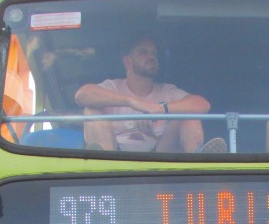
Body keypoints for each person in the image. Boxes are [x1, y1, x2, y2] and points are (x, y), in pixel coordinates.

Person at [74, 34, 225, 153]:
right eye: (143, 52)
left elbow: (202, 104)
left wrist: (162, 109)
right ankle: (101, 162)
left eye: (154, 53)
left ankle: (198, 159)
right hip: (115, 154)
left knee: (189, 114)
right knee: (91, 110)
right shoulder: (112, 86)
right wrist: (133, 102)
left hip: (159, 155)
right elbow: (82, 95)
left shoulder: (166, 91)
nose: (151, 56)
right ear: (127, 62)